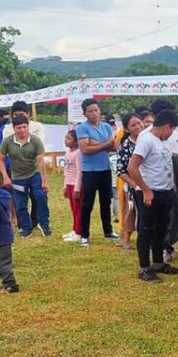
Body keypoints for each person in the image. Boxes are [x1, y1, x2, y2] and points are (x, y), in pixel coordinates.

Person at [127, 110, 178, 282]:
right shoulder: (146, 140)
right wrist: (145, 189)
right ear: (167, 126)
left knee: (161, 229)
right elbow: (132, 167)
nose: (172, 133)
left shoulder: (161, 141)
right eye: (173, 129)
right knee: (146, 229)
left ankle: (158, 262)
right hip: (150, 193)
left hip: (165, 191)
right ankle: (145, 267)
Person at [0, 116, 51, 237]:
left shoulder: (35, 140)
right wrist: (5, 176)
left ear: (28, 127)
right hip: (17, 177)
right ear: (14, 128)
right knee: (20, 203)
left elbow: (41, 161)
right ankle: (26, 228)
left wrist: (44, 180)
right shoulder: (7, 141)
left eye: (24, 127)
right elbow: (0, 159)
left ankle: (44, 224)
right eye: (19, 127)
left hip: (34, 173)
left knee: (40, 196)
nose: (22, 130)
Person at [77, 98, 119, 246]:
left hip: (105, 169)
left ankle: (108, 230)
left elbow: (113, 147)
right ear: (84, 114)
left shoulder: (107, 126)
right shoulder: (82, 128)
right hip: (89, 171)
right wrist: (105, 144)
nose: (94, 113)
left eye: (96, 110)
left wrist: (96, 143)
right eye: (90, 111)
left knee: (105, 201)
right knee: (87, 203)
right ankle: (84, 234)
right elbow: (85, 150)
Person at [116, 114, 144, 250]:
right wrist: (135, 184)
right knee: (131, 212)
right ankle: (126, 240)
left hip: (149, 183)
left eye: (139, 123)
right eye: (133, 125)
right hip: (133, 185)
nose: (138, 127)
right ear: (127, 129)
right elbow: (121, 170)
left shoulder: (148, 140)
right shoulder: (125, 145)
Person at [62, 130, 83, 243]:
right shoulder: (67, 152)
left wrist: (77, 188)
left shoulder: (78, 153)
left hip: (76, 185)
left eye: (69, 138)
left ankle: (79, 232)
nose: (65, 140)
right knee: (73, 209)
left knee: (78, 209)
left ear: (75, 142)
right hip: (69, 183)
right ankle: (75, 229)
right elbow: (66, 170)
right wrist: (65, 186)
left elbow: (79, 171)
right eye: (65, 138)